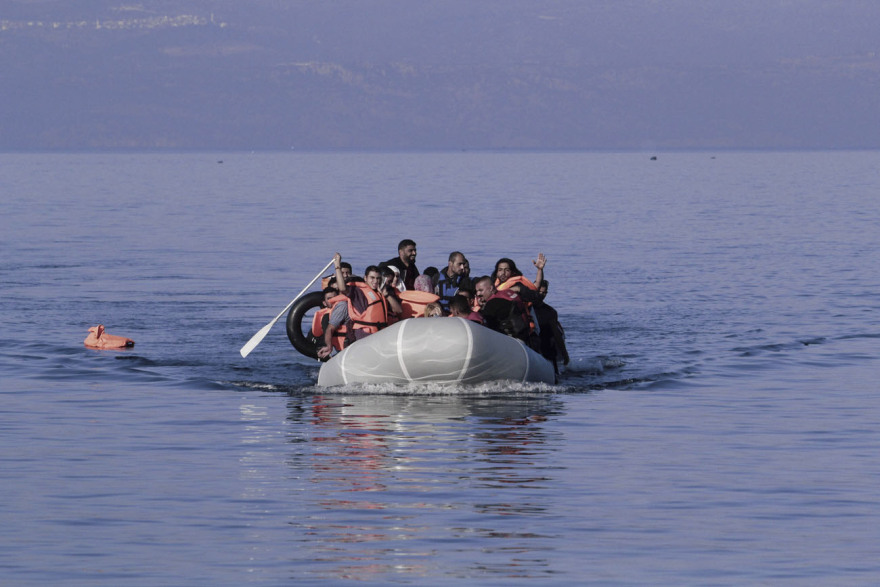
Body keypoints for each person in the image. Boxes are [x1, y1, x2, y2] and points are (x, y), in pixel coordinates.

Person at [317, 254, 403, 359]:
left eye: (378, 278)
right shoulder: (358, 292)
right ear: (365, 278)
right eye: (372, 278)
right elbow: (343, 288)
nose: (375, 281)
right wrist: (337, 266)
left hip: (378, 341)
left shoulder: (380, 294)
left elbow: (398, 310)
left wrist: (386, 295)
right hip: (363, 342)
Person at [474, 275, 540, 349]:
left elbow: (485, 327)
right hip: (526, 339)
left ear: (491, 288)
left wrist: (482, 308)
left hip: (512, 342)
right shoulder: (509, 292)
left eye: (480, 290)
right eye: (476, 291)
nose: (478, 294)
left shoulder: (492, 304)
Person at [531, 280, 570, 374]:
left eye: (544, 292)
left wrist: (565, 354)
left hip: (547, 346)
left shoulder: (550, 311)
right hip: (532, 345)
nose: (542, 295)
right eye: (539, 292)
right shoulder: (525, 307)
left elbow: (556, 334)